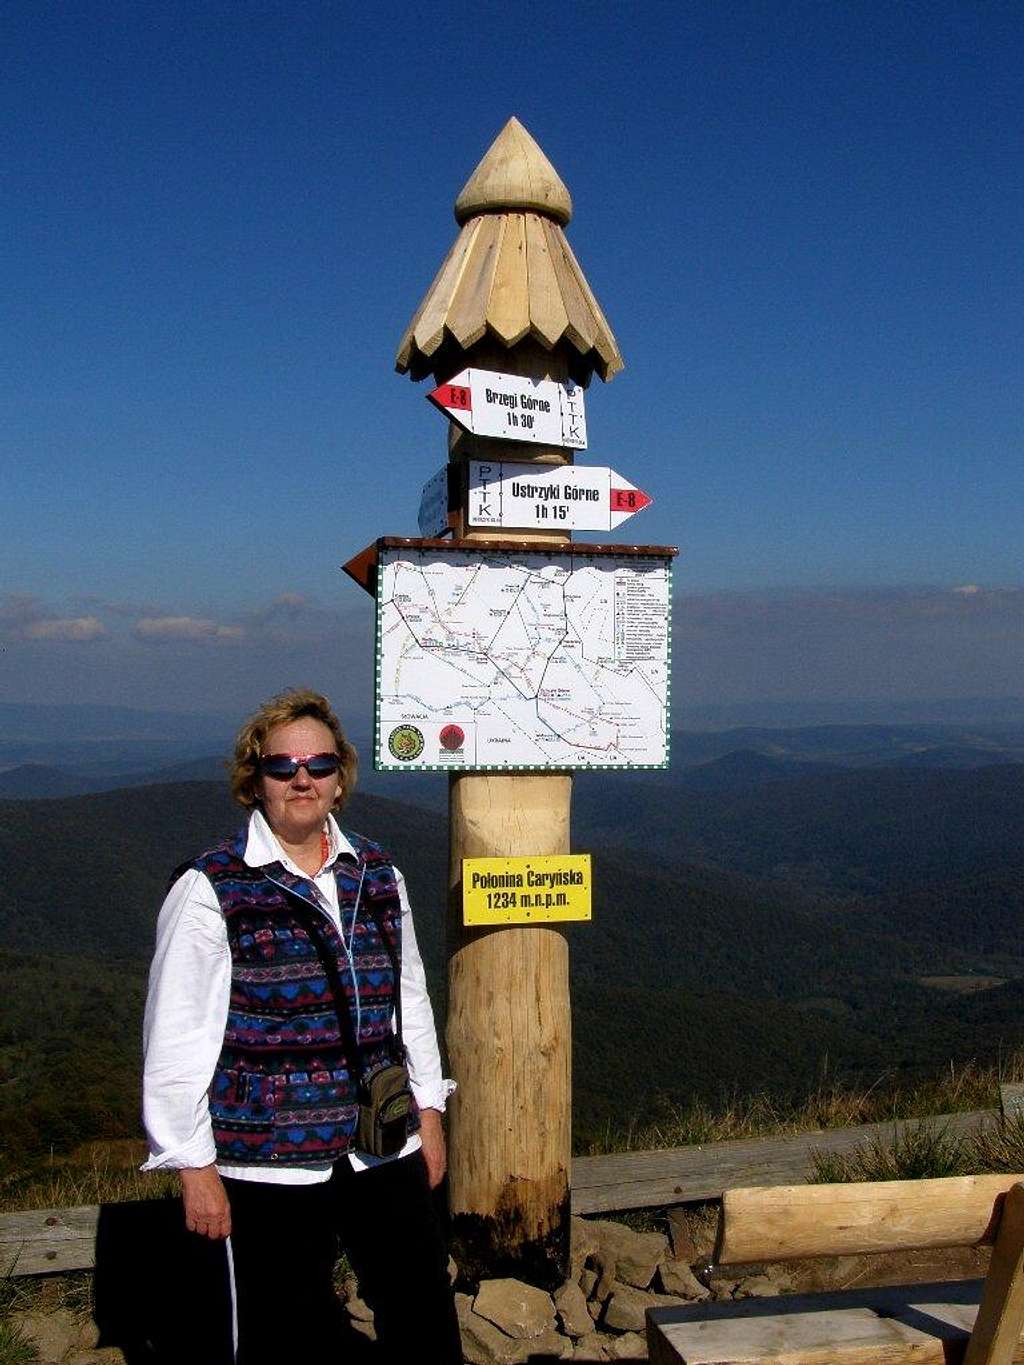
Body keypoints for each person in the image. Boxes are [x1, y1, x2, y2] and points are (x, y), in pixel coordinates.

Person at [142, 688, 462, 1364]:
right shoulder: (212, 888)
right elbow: (175, 1041)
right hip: (267, 1158)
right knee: (281, 1328)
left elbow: (409, 999)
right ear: (253, 780)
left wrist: (429, 1109)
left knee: (420, 1304)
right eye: (282, 766)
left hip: (383, 1138)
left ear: (340, 777)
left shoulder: (377, 871)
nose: (302, 778)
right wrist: (193, 1163)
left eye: (318, 763)